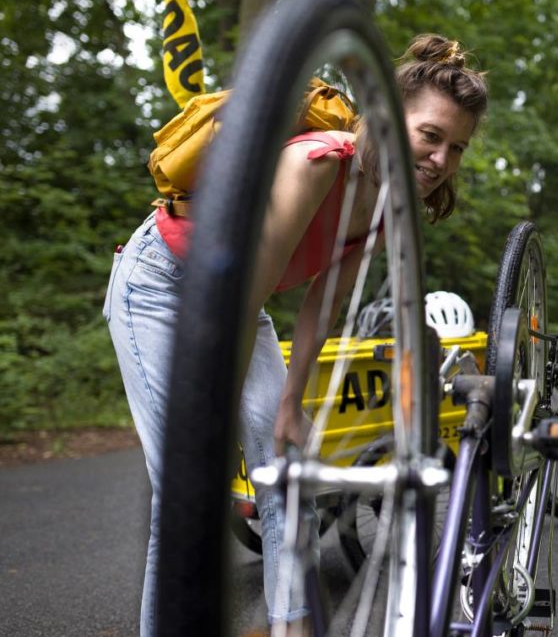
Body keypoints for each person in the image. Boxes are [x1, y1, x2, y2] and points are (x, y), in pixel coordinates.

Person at [103, 33, 487, 635]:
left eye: (456, 148)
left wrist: (288, 406)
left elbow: (323, 301)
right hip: (161, 286)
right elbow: (243, 292)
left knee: (286, 470)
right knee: (185, 493)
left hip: (239, 305)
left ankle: (292, 627)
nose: (441, 158)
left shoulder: (393, 204)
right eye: (430, 135)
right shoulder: (315, 164)